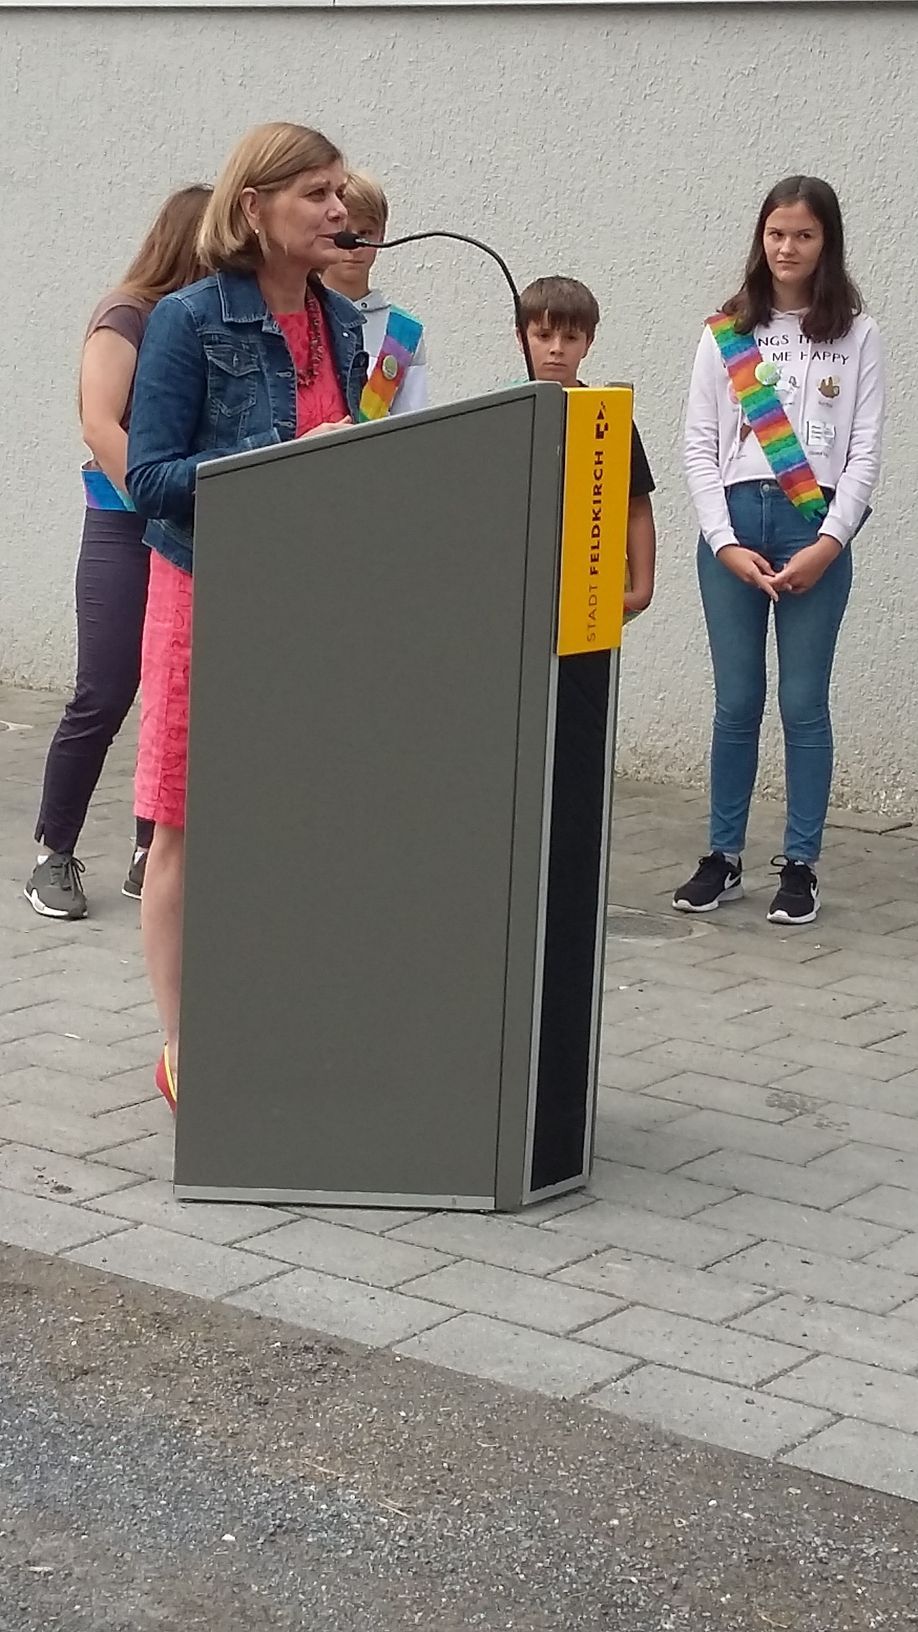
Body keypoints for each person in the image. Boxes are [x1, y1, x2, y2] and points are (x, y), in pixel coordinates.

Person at [126, 123, 366, 1113]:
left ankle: (275, 1016)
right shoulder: (187, 320)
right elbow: (148, 478)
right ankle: (184, 1046)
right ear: (254, 206)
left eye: (340, 191)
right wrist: (285, 467)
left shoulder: (344, 323)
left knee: (290, 822)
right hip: (208, 597)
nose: (340, 210)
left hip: (310, 605)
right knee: (186, 827)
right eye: (317, 193)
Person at [674, 175, 884, 925]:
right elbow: (699, 445)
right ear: (760, 239)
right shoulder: (727, 332)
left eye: (803, 235)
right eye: (775, 233)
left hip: (812, 529)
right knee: (736, 701)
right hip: (735, 526)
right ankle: (723, 856)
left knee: (803, 703)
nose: (787, 248)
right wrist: (723, 542)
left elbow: (864, 452)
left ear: (827, 243)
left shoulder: (857, 335)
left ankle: (800, 864)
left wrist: (830, 541)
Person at [26, 185, 212, 922]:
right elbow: (100, 424)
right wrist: (158, 496)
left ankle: (150, 850)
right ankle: (54, 852)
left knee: (178, 692)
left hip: (190, 529)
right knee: (103, 691)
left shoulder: (209, 321)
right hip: (123, 523)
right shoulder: (126, 314)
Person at [517, 276, 656, 618]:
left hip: (590, 592)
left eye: (570, 338)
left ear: (588, 343)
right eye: (543, 335)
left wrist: (642, 588)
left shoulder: (609, 417)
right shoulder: (505, 413)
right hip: (517, 590)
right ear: (521, 337)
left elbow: (636, 507)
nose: (556, 348)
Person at [323, 169, 428, 418]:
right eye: (343, 234)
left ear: (382, 235)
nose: (354, 247)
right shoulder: (300, 316)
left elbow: (413, 423)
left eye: (365, 233)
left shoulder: (403, 332)